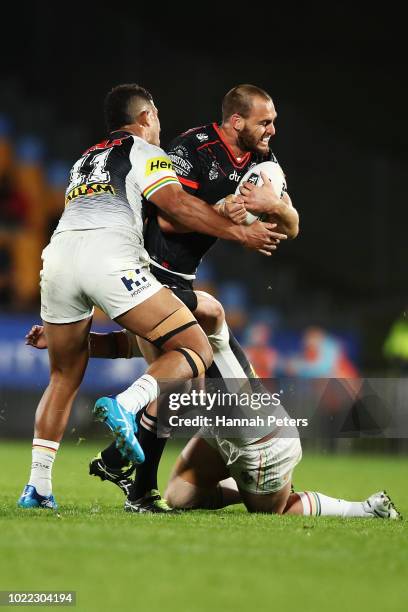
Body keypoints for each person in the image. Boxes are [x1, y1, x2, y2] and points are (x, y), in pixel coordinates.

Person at [17, 83, 280, 511]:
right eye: (155, 115)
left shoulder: (85, 160)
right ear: (145, 118)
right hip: (111, 261)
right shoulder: (144, 152)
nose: (159, 123)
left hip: (58, 260)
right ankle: (126, 406)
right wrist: (240, 231)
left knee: (63, 377)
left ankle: (38, 488)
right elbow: (175, 205)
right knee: (193, 347)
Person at [89, 83, 300, 512]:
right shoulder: (194, 147)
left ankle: (128, 473)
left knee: (183, 378)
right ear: (236, 121)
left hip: (181, 277)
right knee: (194, 355)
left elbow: (292, 226)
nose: (273, 130)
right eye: (265, 121)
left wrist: (274, 207)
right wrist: (222, 213)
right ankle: (127, 461)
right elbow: (166, 218)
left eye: (273, 121)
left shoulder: (264, 162)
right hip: (148, 269)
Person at [26, 324, 401, 520]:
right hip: (223, 434)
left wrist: (117, 451)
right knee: (180, 497)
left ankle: (364, 508)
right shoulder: (158, 317)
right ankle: (260, 488)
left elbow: (187, 388)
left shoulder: (197, 309)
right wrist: (64, 341)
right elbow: (126, 345)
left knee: (276, 512)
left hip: (262, 442)